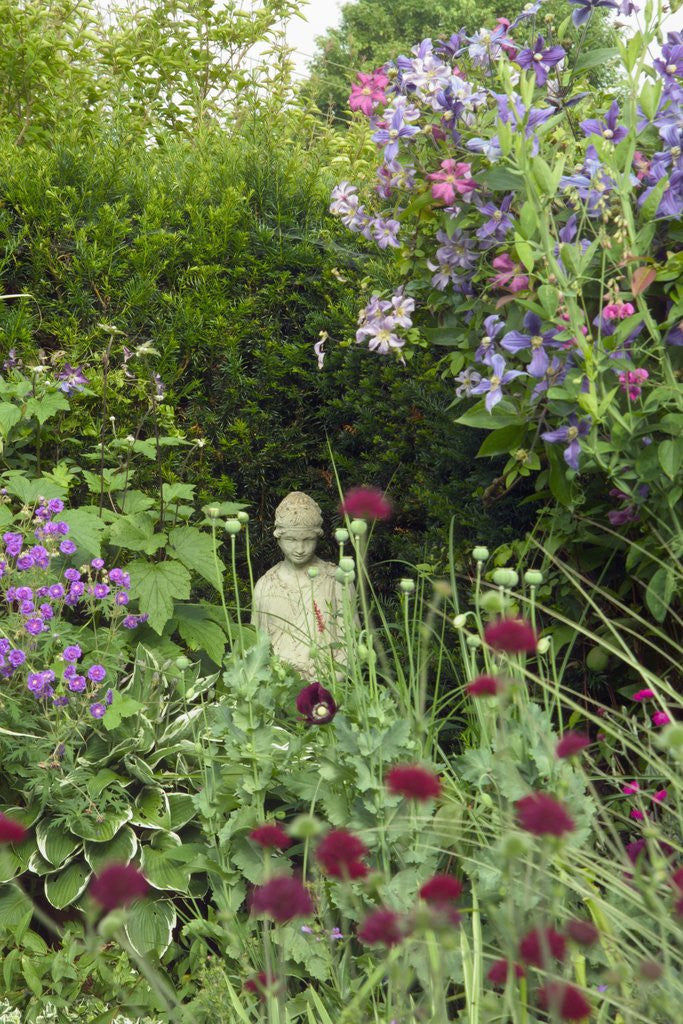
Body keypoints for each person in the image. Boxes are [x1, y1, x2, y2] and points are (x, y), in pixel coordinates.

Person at [251, 491, 353, 679]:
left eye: (307, 540)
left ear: (317, 537)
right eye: (291, 540)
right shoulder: (265, 585)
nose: (299, 549)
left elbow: (350, 646)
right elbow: (255, 650)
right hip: (278, 688)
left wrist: (323, 685)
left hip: (326, 689)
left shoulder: (336, 580)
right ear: (279, 538)